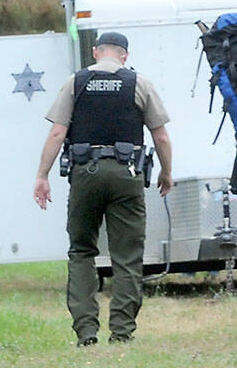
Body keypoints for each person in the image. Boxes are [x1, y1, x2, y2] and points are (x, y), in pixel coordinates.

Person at [33, 31, 173, 346]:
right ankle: (122, 333)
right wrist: (166, 173)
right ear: (124, 55)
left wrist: (42, 174)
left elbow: (57, 133)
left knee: (81, 251)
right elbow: (161, 136)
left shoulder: (76, 82)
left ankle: (86, 332)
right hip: (127, 174)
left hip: (86, 173)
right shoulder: (139, 83)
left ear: (96, 52)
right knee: (126, 255)